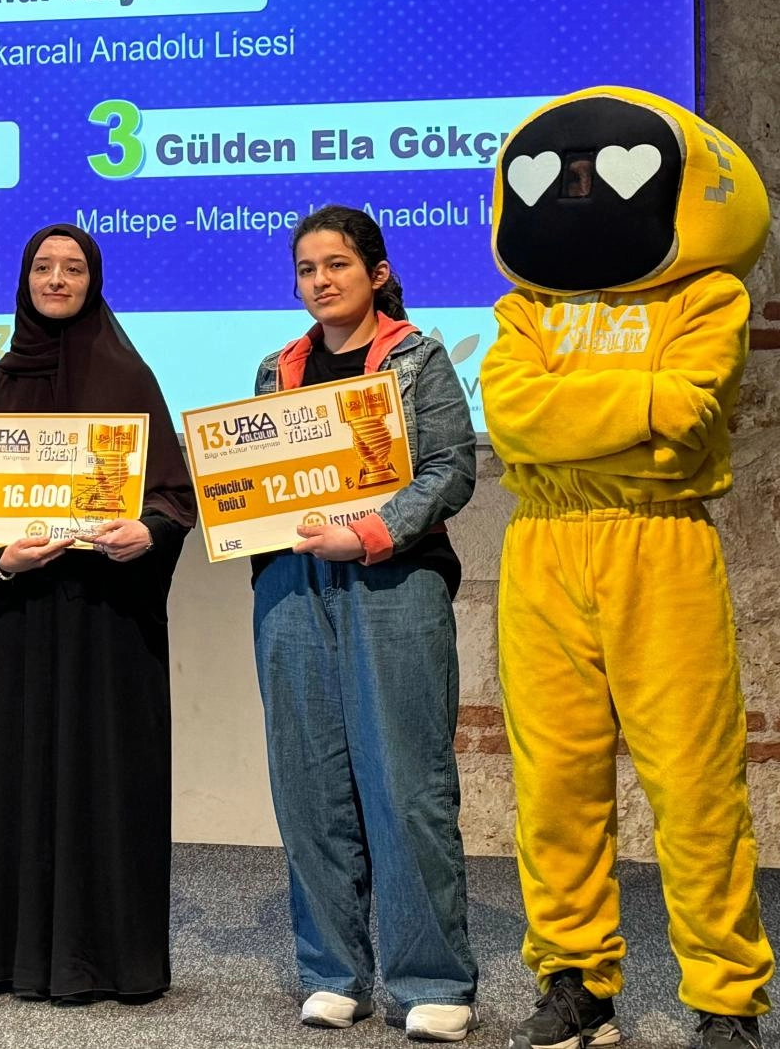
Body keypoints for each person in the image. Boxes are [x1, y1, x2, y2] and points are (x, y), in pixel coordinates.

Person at [482, 87, 774, 1049]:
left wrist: (578, 416)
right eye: (559, 178)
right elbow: (513, 417)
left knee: (696, 784)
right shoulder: (523, 309)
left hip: (661, 544)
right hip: (543, 547)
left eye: (591, 174)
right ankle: (575, 980)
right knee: (553, 786)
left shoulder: (707, 296)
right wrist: (641, 406)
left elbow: (693, 413)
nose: (576, 190)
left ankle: (726, 998)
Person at [0, 223, 197, 1003]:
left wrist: (148, 532)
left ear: (95, 281)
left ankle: (112, 960)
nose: (57, 279)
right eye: (43, 268)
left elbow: (173, 498)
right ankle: (10, 955)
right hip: (17, 620)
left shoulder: (130, 380)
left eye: (74, 268)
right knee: (14, 777)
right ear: (25, 280)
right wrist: (1, 561)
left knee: (107, 777)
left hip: (106, 620)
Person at [248, 205, 480, 1040]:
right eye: (307, 269)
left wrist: (371, 532)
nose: (321, 281)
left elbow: (452, 468)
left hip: (394, 580)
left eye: (338, 265)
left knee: (406, 785)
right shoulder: (276, 370)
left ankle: (432, 982)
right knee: (308, 785)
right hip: (291, 587)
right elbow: (256, 479)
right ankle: (333, 972)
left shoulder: (417, 359)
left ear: (377, 274)